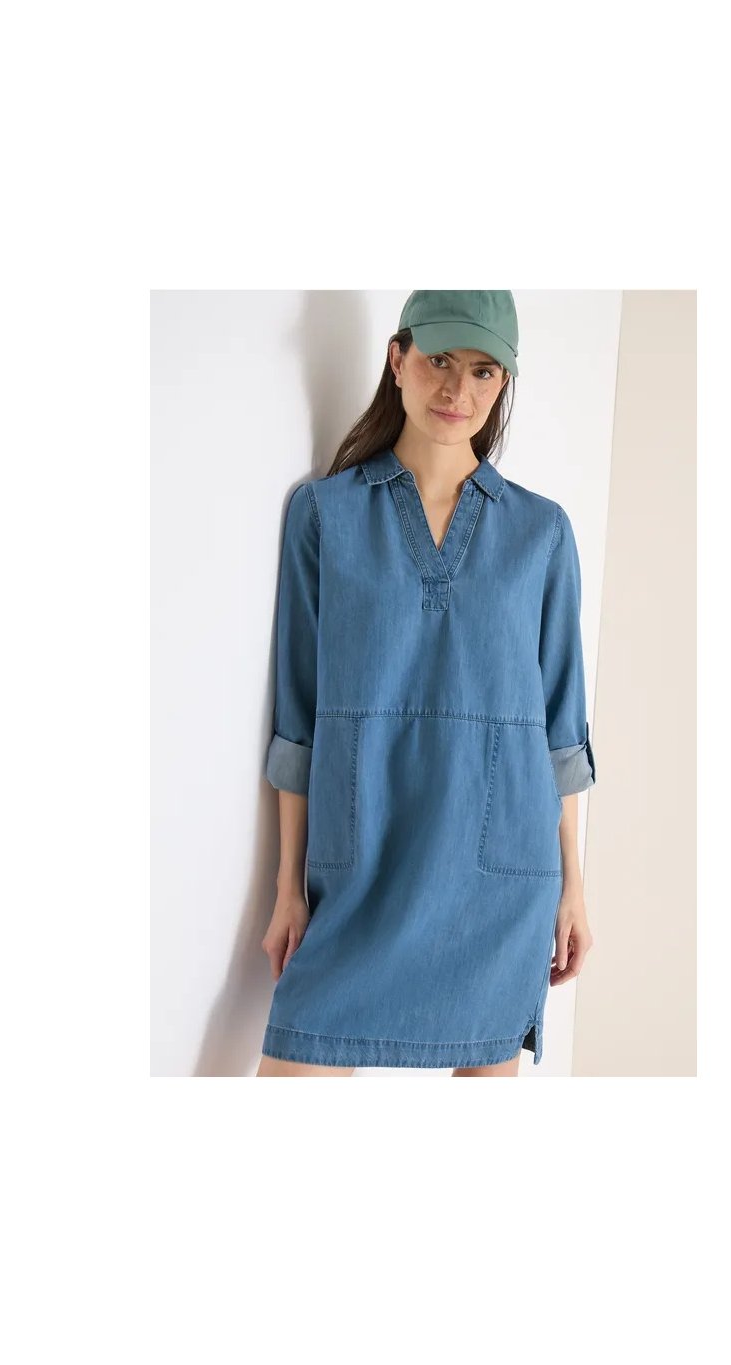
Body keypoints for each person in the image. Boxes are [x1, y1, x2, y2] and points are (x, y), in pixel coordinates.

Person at [256, 290, 595, 1078]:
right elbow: (298, 721)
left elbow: (561, 735)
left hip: (500, 887)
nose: (457, 389)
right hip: (361, 874)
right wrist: (287, 885)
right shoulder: (324, 515)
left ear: (503, 383)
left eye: (483, 371)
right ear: (398, 358)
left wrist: (574, 887)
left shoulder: (542, 532)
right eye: (439, 359)